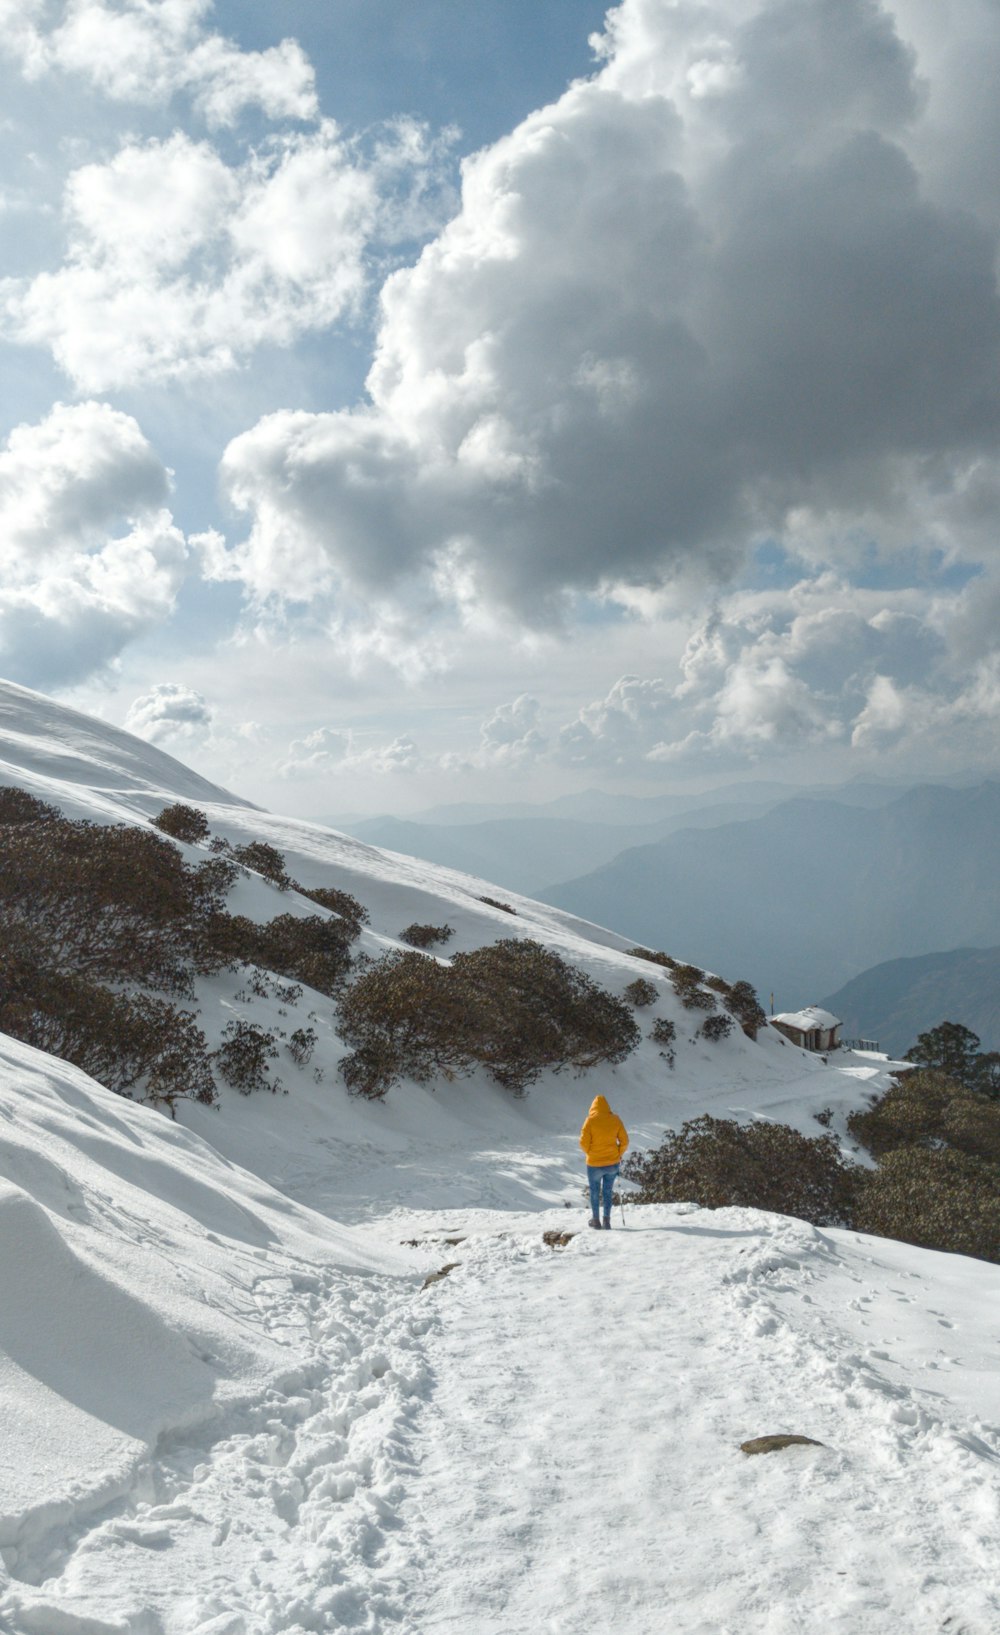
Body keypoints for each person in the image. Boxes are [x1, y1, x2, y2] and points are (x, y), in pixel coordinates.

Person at [579, 1094, 629, 1229]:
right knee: (607, 1191)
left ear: (593, 1107)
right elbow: (625, 1141)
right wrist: (618, 1153)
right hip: (612, 1164)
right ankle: (607, 1220)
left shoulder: (589, 1121)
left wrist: (590, 1152)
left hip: (594, 1164)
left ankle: (596, 1221)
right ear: (607, 1107)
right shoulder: (615, 1119)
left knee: (594, 1192)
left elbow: (583, 1142)